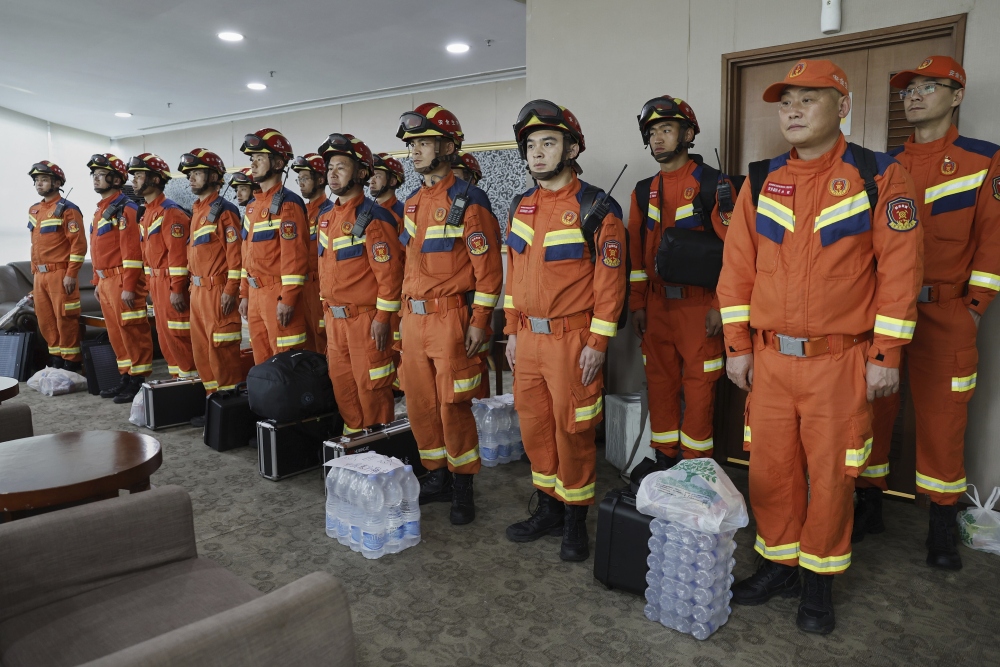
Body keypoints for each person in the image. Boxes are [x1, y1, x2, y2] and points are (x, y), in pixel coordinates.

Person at [718, 60, 923, 634]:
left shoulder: (878, 175)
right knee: (770, 470)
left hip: (841, 360)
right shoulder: (760, 180)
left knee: (832, 475)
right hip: (771, 360)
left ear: (843, 106)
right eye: (787, 101)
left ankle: (819, 581)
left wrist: (886, 354)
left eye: (809, 99)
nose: (793, 110)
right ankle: (779, 563)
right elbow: (736, 271)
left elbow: (901, 273)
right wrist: (737, 345)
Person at [856, 56, 1000, 570]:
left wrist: (976, 309)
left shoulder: (986, 161)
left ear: (956, 95)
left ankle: (941, 527)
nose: (914, 96)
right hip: (881, 315)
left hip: (947, 314)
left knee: (944, 420)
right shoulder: (880, 166)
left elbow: (992, 244)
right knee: (872, 410)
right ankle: (868, 506)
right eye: (907, 89)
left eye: (927, 87)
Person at [502, 100, 627, 561]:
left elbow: (610, 285)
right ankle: (550, 509)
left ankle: (575, 521)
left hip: (573, 342)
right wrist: (512, 331)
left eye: (548, 143)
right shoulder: (521, 206)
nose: (537, 153)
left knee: (572, 429)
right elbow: (513, 276)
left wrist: (598, 343)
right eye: (531, 145)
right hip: (528, 341)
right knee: (535, 428)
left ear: (572, 147)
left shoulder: (596, 207)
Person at [395, 102, 503, 524]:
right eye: (413, 144)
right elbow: (407, 264)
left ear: (448, 146)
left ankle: (463, 485)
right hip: (414, 319)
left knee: (452, 404)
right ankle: (436, 475)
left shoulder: (469, 199)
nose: (415, 151)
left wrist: (480, 322)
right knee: (420, 404)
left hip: (450, 319)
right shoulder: (411, 203)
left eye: (424, 142)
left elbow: (488, 270)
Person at [628, 97, 733, 467]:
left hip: (699, 306)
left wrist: (721, 306)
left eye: (667, 129)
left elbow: (735, 253)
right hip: (657, 307)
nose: (658, 138)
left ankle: (695, 468)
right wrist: (638, 304)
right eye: (652, 132)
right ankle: (663, 459)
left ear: (688, 134)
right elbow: (637, 258)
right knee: (660, 383)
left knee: (700, 387)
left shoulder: (713, 185)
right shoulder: (642, 190)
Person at [315, 133, 403, 434]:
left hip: (365, 322)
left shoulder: (374, 217)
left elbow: (390, 276)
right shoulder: (326, 217)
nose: (333, 173)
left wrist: (382, 319)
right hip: (335, 321)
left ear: (362, 173)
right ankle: (356, 453)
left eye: (341, 166)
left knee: (372, 389)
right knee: (344, 389)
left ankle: (380, 455)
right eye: (330, 168)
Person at [238, 128, 311, 364]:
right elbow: (246, 254)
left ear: (278, 162)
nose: (254, 164)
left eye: (260, 158)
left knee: (284, 363)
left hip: (276, 294)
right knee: (262, 362)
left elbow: (295, 257)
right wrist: (245, 293)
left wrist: (288, 299)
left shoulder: (288, 204)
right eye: (252, 159)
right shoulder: (252, 206)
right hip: (255, 294)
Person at [87, 153, 154, 403]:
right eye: (93, 175)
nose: (95, 178)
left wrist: (128, 287)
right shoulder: (101, 210)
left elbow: (132, 252)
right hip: (106, 282)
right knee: (116, 332)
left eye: (101, 174)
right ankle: (125, 376)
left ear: (116, 179)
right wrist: (96, 281)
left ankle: (138, 380)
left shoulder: (126, 208)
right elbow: (96, 249)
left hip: (122, 280)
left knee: (131, 330)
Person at [179, 148, 244, 402]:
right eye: (190, 174)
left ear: (215, 176)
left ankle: (228, 404)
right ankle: (212, 402)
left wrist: (230, 290)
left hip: (217, 291)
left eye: (197, 173)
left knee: (221, 349)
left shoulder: (224, 210)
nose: (191, 178)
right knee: (202, 349)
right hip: (197, 291)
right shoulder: (197, 210)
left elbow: (236, 256)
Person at [127, 154, 196, 380]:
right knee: (166, 339)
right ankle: (178, 385)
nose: (134, 181)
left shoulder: (171, 212)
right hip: (157, 286)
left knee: (180, 338)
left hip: (170, 286)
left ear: (155, 179)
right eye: (134, 176)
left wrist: (176, 289)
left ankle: (192, 388)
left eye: (139, 175)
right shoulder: (147, 213)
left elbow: (178, 257)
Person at [26, 161, 86, 372]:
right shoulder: (34, 210)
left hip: (60, 274)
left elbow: (78, 245)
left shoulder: (68, 210)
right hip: (40, 276)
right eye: (36, 180)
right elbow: (35, 244)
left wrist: (71, 274)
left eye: (43, 179)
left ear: (57, 182)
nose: (39, 184)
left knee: (65, 317)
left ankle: (71, 361)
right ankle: (56, 358)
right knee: (46, 319)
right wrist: (35, 275)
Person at [371, 152, 407, 382]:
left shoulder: (401, 213)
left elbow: (405, 259)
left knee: (393, 353)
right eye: (371, 175)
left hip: (397, 296)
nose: (372, 179)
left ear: (393, 181)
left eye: (378, 175)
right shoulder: (367, 212)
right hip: (373, 297)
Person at [290, 153, 329, 352]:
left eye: (305, 178)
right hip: (300, 286)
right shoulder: (300, 211)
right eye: (299, 179)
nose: (301, 183)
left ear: (321, 180)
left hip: (319, 288)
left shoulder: (329, 212)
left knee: (322, 340)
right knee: (302, 342)